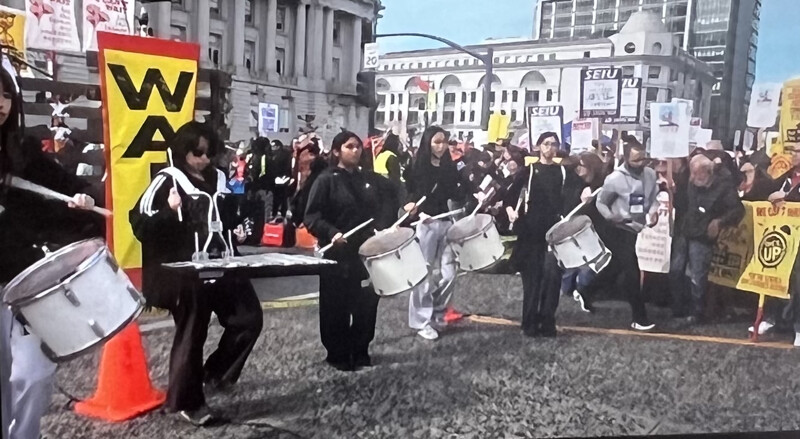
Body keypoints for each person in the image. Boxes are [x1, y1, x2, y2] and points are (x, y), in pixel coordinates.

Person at [129, 121, 263, 426]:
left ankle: (212, 374)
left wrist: (238, 230)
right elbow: (140, 225)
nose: (203, 159)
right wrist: (170, 210)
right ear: (183, 151)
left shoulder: (219, 178)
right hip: (185, 272)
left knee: (249, 318)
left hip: (225, 263)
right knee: (192, 333)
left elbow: (228, 217)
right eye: (196, 153)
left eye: (208, 152)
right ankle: (188, 401)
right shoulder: (167, 181)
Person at [0, 60, 97, 439]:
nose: (2, 102)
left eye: (7, 93)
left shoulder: (22, 150)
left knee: (34, 373)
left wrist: (81, 201)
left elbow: (65, 193)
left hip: (28, 281)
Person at [304, 131, 398, 370]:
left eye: (358, 147)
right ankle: (337, 353)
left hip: (365, 252)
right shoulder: (325, 180)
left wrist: (387, 222)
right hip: (337, 253)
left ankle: (360, 349)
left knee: (366, 303)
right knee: (336, 305)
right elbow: (312, 216)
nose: (355, 151)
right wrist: (331, 232)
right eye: (349, 147)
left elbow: (391, 195)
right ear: (336, 151)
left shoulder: (368, 179)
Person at [579, 139, 659, 331]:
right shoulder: (614, 179)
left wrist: (654, 211)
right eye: (636, 160)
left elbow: (654, 197)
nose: (641, 163)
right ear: (626, 159)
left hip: (635, 228)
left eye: (643, 158)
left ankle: (585, 290)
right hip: (616, 229)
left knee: (612, 268)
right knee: (632, 271)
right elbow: (601, 202)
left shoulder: (650, 174)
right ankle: (640, 318)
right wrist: (611, 217)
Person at [508, 132, 581, 337]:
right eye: (546, 144)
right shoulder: (529, 171)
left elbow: (579, 189)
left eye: (554, 144)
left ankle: (547, 321)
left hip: (554, 231)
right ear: (539, 146)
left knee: (552, 278)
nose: (550, 148)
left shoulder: (563, 172)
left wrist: (585, 192)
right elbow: (509, 195)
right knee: (532, 279)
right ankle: (529, 323)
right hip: (531, 231)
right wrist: (511, 211)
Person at [405, 126, 470, 340]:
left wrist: (472, 186)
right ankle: (421, 321)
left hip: (445, 221)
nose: (441, 146)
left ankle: (438, 312)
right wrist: (412, 208)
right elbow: (405, 192)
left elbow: (455, 192)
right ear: (428, 143)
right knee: (423, 274)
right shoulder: (416, 166)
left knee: (450, 273)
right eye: (437, 142)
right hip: (425, 224)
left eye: (444, 141)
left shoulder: (448, 167)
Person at [671, 155, 744, 325]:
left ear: (708, 172)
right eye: (692, 172)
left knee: (697, 275)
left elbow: (737, 210)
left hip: (703, 234)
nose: (693, 177)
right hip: (684, 230)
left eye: (697, 173)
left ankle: (697, 312)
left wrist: (720, 221)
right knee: (675, 271)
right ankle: (678, 308)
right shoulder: (690, 182)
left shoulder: (724, 186)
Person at [563, 152, 607, 312]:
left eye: (580, 166)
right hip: (576, 227)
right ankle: (569, 288)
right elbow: (570, 205)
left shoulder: (600, 185)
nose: (577, 169)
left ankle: (582, 288)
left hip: (594, 228)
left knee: (589, 262)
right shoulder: (575, 183)